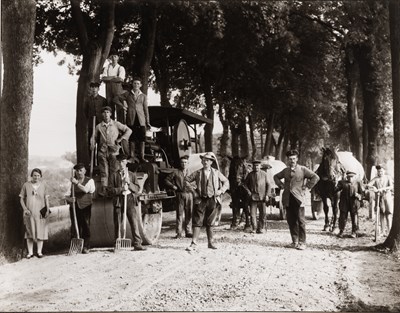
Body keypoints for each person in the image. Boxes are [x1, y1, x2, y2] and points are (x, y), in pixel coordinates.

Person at [274, 150, 319, 250]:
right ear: (288, 160)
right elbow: (276, 177)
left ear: (297, 159)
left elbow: (315, 177)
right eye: (290, 159)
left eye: (294, 158)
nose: (292, 161)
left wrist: (307, 187)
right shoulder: (285, 171)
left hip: (299, 199)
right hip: (288, 199)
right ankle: (294, 241)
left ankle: (302, 242)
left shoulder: (303, 169)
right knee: (291, 220)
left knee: (301, 220)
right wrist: (281, 185)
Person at [185, 152, 229, 251]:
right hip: (200, 200)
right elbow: (186, 180)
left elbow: (226, 182)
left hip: (213, 199)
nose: (205, 162)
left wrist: (220, 191)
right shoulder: (197, 173)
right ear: (201, 161)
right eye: (204, 160)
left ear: (211, 162)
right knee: (197, 221)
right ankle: (193, 243)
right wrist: (193, 191)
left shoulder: (216, 172)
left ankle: (211, 243)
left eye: (207, 160)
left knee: (210, 222)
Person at [107, 154, 146, 251]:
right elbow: (110, 190)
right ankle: (117, 244)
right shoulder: (114, 175)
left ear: (126, 162)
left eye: (123, 162)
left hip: (129, 199)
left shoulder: (132, 175)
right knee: (118, 223)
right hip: (118, 200)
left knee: (134, 221)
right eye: (119, 162)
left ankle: (137, 244)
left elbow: (137, 189)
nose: (121, 164)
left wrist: (129, 183)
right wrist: (121, 189)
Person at [91, 106, 132, 191]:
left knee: (114, 171)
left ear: (110, 114)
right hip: (102, 151)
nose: (106, 114)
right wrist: (92, 144)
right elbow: (94, 137)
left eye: (107, 112)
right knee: (104, 172)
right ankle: (104, 190)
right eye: (104, 112)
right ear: (102, 114)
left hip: (114, 151)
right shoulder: (99, 126)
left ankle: (113, 189)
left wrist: (121, 139)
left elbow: (129, 130)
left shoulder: (116, 124)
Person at [112, 77, 150, 162]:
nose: (136, 85)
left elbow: (145, 109)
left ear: (140, 85)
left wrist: (147, 122)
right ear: (132, 84)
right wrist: (123, 106)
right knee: (132, 137)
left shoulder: (143, 96)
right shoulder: (127, 94)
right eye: (134, 83)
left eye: (138, 83)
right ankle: (132, 156)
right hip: (131, 118)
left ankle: (142, 157)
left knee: (142, 138)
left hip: (141, 120)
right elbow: (115, 99)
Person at [19, 168, 50, 258]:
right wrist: (25, 209)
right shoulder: (26, 185)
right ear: (31, 176)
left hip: (41, 212)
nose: (36, 177)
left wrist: (47, 209)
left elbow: (46, 198)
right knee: (29, 232)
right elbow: (21, 199)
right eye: (34, 175)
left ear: (40, 176)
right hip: (30, 212)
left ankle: (39, 252)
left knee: (41, 231)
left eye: (38, 176)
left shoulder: (44, 185)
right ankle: (30, 253)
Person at [66, 163, 96, 253]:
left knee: (85, 225)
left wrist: (77, 183)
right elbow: (66, 195)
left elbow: (86, 190)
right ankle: (76, 247)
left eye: (81, 170)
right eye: (77, 171)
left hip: (85, 206)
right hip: (74, 207)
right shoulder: (71, 182)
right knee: (75, 226)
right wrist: (70, 199)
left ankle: (86, 246)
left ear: (84, 171)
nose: (79, 173)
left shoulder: (90, 180)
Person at [164, 155, 193, 239]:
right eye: (182, 162)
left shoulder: (192, 172)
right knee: (179, 214)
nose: (184, 164)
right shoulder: (176, 172)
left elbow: (197, 181)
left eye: (185, 162)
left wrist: (193, 187)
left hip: (189, 194)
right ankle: (179, 232)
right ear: (180, 163)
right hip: (180, 194)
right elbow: (166, 180)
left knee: (189, 213)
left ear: (188, 163)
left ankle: (188, 231)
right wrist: (173, 186)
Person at [244, 160, 272, 234]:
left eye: (257, 165)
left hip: (262, 197)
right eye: (255, 166)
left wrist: (267, 195)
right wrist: (248, 192)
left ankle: (261, 228)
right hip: (253, 198)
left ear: (260, 166)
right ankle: (254, 228)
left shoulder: (264, 174)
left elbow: (269, 185)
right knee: (253, 214)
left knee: (262, 214)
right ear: (253, 167)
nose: (256, 167)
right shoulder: (250, 175)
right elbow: (245, 185)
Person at [336, 171, 364, 238]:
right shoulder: (342, 182)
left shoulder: (358, 182)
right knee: (342, 217)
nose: (350, 179)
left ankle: (354, 232)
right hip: (344, 203)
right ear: (346, 177)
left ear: (354, 177)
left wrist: (358, 195)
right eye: (348, 177)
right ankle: (341, 231)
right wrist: (335, 184)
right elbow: (336, 189)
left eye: (352, 177)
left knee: (354, 217)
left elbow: (362, 193)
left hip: (354, 203)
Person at [367, 164, 393, 236]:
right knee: (381, 214)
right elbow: (368, 185)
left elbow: (391, 186)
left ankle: (389, 231)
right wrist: (373, 188)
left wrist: (383, 189)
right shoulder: (375, 179)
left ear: (384, 171)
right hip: (379, 198)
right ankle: (382, 231)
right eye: (379, 171)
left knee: (388, 214)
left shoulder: (388, 177)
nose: (380, 173)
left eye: (381, 171)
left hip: (387, 198)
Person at [101, 51, 126, 122]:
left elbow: (120, 79)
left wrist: (109, 78)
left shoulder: (120, 68)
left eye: (115, 56)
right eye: (112, 56)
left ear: (118, 58)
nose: (113, 58)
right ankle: (110, 124)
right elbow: (103, 78)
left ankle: (120, 126)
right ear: (110, 58)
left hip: (118, 90)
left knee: (119, 107)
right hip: (108, 89)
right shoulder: (107, 67)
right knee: (109, 107)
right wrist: (114, 77)